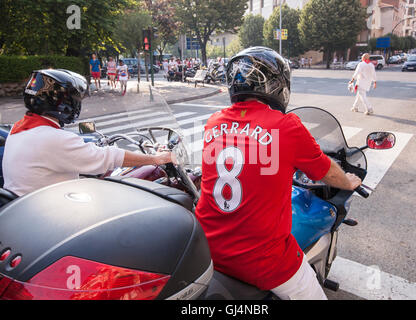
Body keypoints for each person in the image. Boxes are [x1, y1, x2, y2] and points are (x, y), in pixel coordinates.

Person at [195, 47, 362, 300]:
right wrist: (348, 182)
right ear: (277, 86)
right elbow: (326, 171)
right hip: (261, 259)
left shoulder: (213, 122)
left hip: (207, 246)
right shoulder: (285, 126)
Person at [3, 69, 175, 197]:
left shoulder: (19, 129)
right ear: (63, 103)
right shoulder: (52, 138)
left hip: (28, 207)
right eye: (76, 100)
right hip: (50, 216)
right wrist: (156, 159)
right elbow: (108, 158)